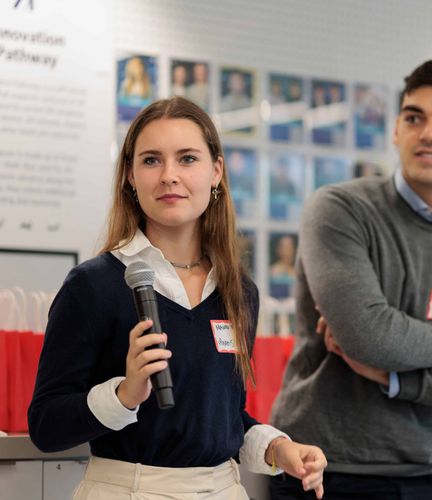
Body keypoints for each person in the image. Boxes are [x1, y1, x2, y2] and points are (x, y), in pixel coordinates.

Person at [28, 96, 326, 499]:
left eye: (187, 159)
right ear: (130, 176)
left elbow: (222, 416)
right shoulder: (93, 285)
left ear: (216, 171)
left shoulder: (240, 291)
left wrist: (278, 448)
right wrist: (125, 395)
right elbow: (47, 426)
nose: (169, 175)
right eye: (151, 160)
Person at [270, 60, 432, 500]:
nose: (429, 133)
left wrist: (394, 379)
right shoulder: (337, 209)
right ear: (395, 129)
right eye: (414, 117)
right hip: (321, 470)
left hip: (427, 471)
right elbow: (368, 337)